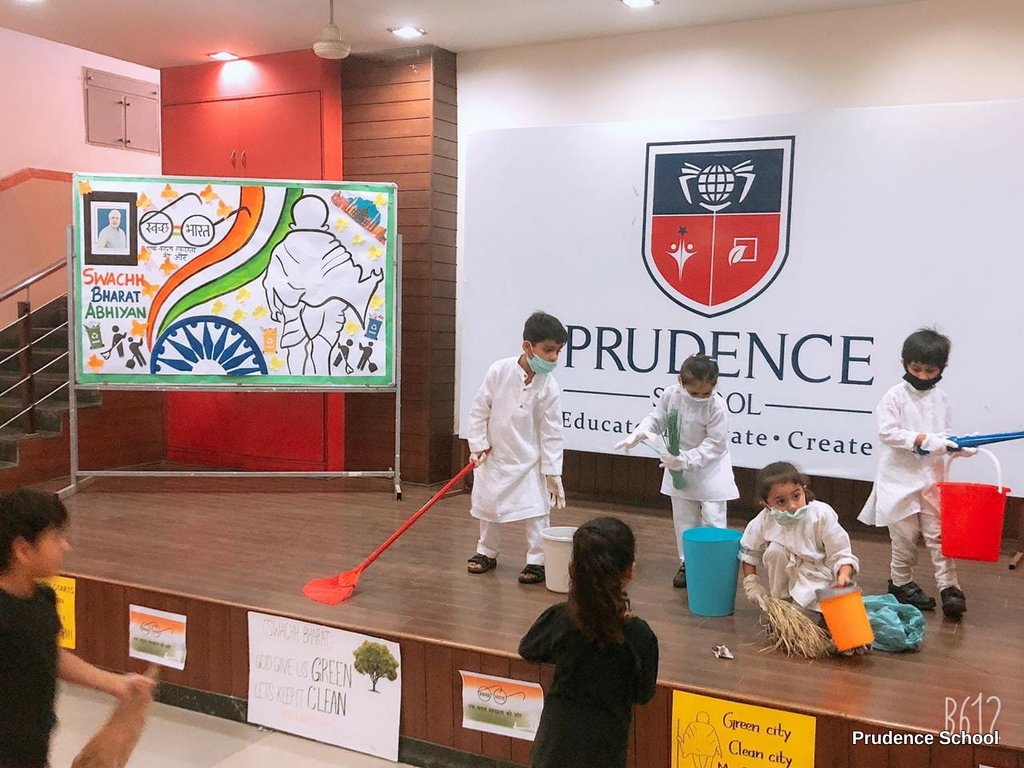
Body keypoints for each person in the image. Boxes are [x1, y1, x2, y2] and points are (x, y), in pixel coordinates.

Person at [0, 489, 156, 768]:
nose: (65, 546)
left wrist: (116, 683)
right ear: (23, 550)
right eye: (56, 537)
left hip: (31, 748)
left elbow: (49, 655)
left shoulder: (43, 599)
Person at [519, 517, 658, 768]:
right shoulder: (639, 636)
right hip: (604, 753)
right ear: (629, 570)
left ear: (574, 569)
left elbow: (529, 648)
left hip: (552, 751)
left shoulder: (560, 618)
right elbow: (643, 694)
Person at [857, 328, 972, 620]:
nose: (922, 375)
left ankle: (950, 587)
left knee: (939, 536)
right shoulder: (894, 396)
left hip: (932, 479)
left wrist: (956, 447)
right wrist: (921, 440)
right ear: (904, 363)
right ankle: (900, 582)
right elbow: (887, 433)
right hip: (898, 480)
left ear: (942, 368)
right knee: (905, 538)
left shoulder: (942, 399)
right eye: (915, 368)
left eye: (929, 371)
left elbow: (942, 438)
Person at [614, 354, 738, 588]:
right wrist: (640, 432)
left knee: (713, 518)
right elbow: (657, 419)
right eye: (694, 393)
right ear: (680, 381)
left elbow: (715, 444)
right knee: (684, 518)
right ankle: (688, 564)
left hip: (710, 468)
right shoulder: (671, 395)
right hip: (676, 462)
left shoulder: (717, 407)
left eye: (706, 393)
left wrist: (687, 460)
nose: (700, 398)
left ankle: (713, 565)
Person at [465, 311, 567, 584]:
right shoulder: (499, 371)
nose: (554, 357)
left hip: (529, 460)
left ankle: (537, 560)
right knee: (489, 507)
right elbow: (479, 411)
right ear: (527, 347)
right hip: (494, 456)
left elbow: (552, 432)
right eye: (548, 350)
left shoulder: (549, 386)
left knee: (537, 510)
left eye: (558, 351)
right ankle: (486, 552)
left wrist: (553, 472)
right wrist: (478, 445)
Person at [739, 461, 860, 614]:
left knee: (815, 612)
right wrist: (751, 584)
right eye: (781, 501)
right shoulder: (764, 520)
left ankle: (813, 612)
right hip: (785, 574)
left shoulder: (821, 514)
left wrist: (844, 575)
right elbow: (749, 552)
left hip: (820, 573)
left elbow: (841, 552)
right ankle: (782, 605)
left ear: (804, 489)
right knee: (775, 551)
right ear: (766, 504)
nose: (792, 506)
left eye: (796, 496)